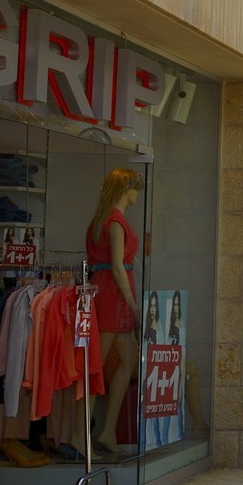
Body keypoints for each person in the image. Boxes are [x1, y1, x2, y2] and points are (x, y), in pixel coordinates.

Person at [86, 167, 142, 457]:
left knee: (126, 361)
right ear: (125, 189)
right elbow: (118, 265)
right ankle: (80, 434)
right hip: (112, 293)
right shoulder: (115, 222)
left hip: (110, 290)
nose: (137, 194)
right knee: (95, 366)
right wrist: (133, 305)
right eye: (134, 189)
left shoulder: (104, 220)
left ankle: (106, 431)